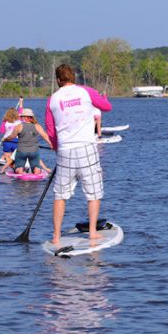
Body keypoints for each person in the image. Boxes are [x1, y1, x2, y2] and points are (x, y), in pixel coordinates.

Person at [44, 64, 113, 247]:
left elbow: (50, 130)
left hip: (65, 150)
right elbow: (107, 107)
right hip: (86, 148)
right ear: (73, 77)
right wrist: (103, 96)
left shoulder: (52, 99)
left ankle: (56, 236)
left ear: (58, 80)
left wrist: (56, 147)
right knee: (94, 191)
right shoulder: (86, 92)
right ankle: (92, 232)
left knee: (60, 194)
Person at [0, 108, 53, 174]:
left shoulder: (19, 126)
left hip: (22, 151)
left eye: (22, 116)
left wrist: (5, 139)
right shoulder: (37, 126)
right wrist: (51, 145)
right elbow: (46, 137)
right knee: (36, 166)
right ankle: (37, 170)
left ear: (25, 117)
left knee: (19, 167)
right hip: (33, 151)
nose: (21, 118)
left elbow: (12, 137)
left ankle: (20, 170)